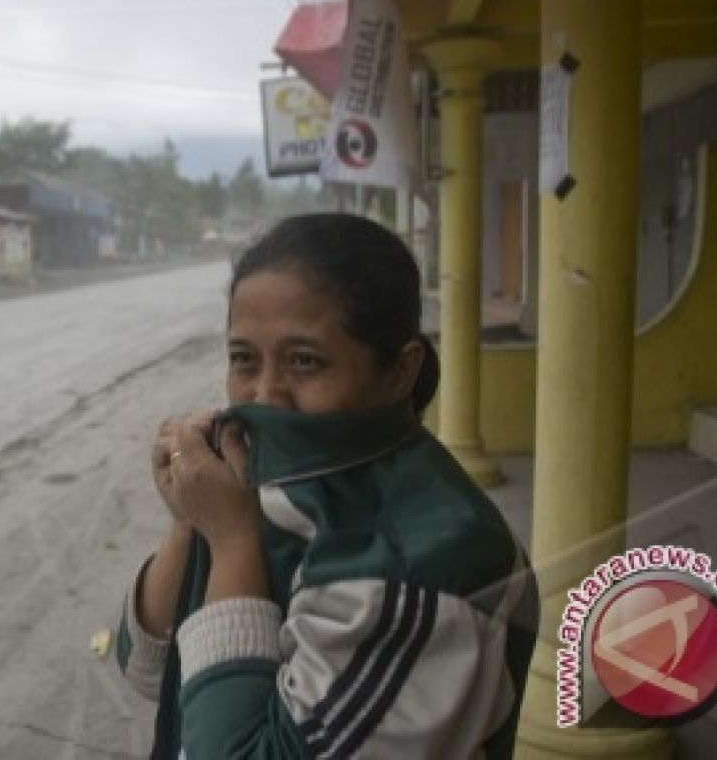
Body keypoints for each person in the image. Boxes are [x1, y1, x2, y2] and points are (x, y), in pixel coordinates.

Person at [115, 213, 539, 759]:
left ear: (400, 371)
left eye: (305, 362)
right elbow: (149, 669)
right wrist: (189, 515)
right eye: (244, 359)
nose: (265, 394)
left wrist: (232, 541)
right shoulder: (268, 478)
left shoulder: (422, 566)